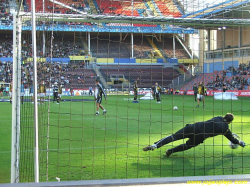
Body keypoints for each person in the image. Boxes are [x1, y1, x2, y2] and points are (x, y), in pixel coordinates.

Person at [143, 113, 246, 157]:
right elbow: (232, 139)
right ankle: (170, 151)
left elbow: (221, 122)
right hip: (200, 136)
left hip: (194, 127)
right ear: (230, 122)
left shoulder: (218, 117)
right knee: (187, 146)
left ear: (224, 117)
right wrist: (240, 143)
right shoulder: (225, 129)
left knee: (174, 136)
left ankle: (155, 145)